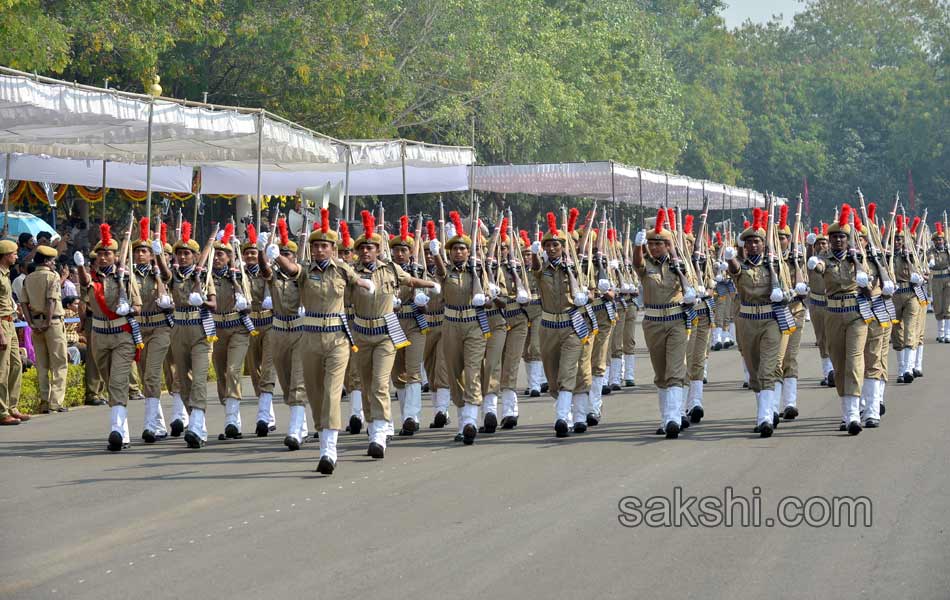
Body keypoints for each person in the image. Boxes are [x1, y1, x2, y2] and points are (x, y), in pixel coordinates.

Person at [270, 209, 374, 472]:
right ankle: (320, 432)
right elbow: (292, 269)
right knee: (315, 394)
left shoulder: (341, 269)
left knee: (330, 393)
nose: (318, 250)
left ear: (333, 248)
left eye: (324, 246)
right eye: (315, 246)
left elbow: (358, 280)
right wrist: (275, 255)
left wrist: (367, 285)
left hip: (338, 339)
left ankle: (329, 450)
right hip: (310, 339)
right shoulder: (305, 270)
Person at [349, 210, 436, 456]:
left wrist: (431, 285)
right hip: (361, 334)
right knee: (368, 384)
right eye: (362, 248)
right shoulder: (350, 273)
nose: (366, 251)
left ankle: (383, 429)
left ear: (378, 250)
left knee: (381, 382)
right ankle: (378, 422)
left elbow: (410, 281)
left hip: (387, 330)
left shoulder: (390, 270)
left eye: (371, 247)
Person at [75, 223, 143, 451]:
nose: (103, 257)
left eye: (108, 253)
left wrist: (129, 309)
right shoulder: (92, 278)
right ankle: (121, 431)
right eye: (100, 254)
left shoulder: (125, 277)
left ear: (115, 255)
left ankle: (116, 429)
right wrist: (79, 267)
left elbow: (138, 307)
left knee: (118, 381)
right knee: (107, 380)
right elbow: (85, 290)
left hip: (122, 334)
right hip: (99, 335)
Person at [808, 204, 870, 435]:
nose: (837, 241)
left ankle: (854, 414)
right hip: (832, 314)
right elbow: (820, 268)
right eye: (833, 237)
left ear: (848, 239)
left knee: (854, 360)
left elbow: (869, 285)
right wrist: (815, 263)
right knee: (840, 363)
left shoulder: (858, 258)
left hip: (856, 315)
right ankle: (847, 412)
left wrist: (857, 262)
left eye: (841, 237)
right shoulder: (825, 259)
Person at [530, 212, 592, 438]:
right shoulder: (543, 269)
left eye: (555, 244)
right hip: (548, 327)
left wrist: (572, 273)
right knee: (553, 377)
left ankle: (565, 417)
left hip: (572, 324)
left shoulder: (579, 267)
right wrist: (535, 252)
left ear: (564, 246)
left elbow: (591, 290)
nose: (552, 248)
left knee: (570, 372)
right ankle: (573, 412)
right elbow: (535, 268)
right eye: (548, 245)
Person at [725, 208, 785, 438]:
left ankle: (765, 418)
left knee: (768, 369)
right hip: (747, 321)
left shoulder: (775, 265)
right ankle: (765, 410)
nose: (752, 245)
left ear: (764, 244)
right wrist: (730, 257)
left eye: (757, 241)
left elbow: (791, 286)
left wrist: (783, 290)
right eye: (748, 242)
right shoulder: (741, 265)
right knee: (754, 372)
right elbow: (735, 270)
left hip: (770, 319)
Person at [634, 209, 691, 439]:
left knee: (675, 371)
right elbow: (636, 263)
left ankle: (673, 418)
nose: (654, 247)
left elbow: (691, 285)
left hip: (676, 320)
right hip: (653, 322)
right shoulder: (645, 264)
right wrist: (637, 246)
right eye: (651, 243)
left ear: (668, 245)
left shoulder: (679, 264)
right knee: (660, 373)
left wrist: (682, 271)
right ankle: (665, 416)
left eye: (659, 243)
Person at [259, 218, 307, 450]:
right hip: (279, 331)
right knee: (287, 384)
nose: (285, 257)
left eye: (289, 254)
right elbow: (264, 270)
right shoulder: (275, 277)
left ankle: (295, 431)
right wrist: (261, 251)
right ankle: (303, 425)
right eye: (282, 253)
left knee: (298, 381)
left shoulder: (304, 274)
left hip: (300, 331)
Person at [168, 222, 217, 448]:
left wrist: (203, 301)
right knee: (183, 382)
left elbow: (214, 304)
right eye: (180, 253)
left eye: (187, 253)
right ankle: (198, 422)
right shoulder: (174, 276)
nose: (183, 257)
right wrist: (160, 254)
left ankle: (196, 425)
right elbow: (162, 273)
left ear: (196, 256)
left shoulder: (206, 276)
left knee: (198, 378)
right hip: (179, 328)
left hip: (200, 328)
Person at [210, 223, 255, 441]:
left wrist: (238, 288)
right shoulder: (206, 276)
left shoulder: (239, 275)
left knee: (233, 370)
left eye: (221, 255)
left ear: (229, 257)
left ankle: (232, 420)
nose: (217, 258)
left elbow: (248, 305)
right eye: (215, 254)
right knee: (221, 374)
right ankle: (228, 409)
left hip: (238, 328)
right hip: (216, 329)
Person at [131, 218, 174, 443]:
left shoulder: (161, 272)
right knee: (145, 373)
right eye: (137, 251)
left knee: (152, 374)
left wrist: (158, 269)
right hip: (139, 327)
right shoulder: (128, 275)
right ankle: (157, 423)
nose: (140, 255)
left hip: (160, 327)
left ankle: (150, 423)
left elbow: (168, 283)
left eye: (144, 251)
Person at [22, 244, 69, 414]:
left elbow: (23, 304)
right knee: (59, 364)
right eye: (53, 261)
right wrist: (48, 322)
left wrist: (31, 323)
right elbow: (51, 301)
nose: (55, 264)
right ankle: (55, 402)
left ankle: (44, 401)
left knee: (42, 364)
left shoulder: (28, 278)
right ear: (48, 262)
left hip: (35, 324)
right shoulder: (53, 277)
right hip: (53, 323)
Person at [241, 224, 278, 437]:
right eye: (247, 253)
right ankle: (269, 413)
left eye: (254, 252)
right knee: (253, 369)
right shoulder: (239, 274)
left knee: (268, 369)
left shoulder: (269, 271)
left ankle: (263, 415)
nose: (250, 256)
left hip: (270, 323)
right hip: (249, 324)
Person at [890, 216, 923, 383]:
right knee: (896, 334)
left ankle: (909, 368)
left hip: (911, 294)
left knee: (910, 330)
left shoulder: (913, 255)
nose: (897, 242)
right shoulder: (887, 255)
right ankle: (902, 368)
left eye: (900, 239)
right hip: (894, 296)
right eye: (895, 239)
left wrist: (909, 259)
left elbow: (921, 273)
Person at [0, 238, 27, 426]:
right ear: (5, 255)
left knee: (16, 365)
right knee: (2, 370)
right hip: (1, 324)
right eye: (14, 253)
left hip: (10, 322)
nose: (16, 256)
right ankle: (2, 412)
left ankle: (12, 406)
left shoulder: (6, 273)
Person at [930, 222, 950, 342]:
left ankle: (947, 333)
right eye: (937, 240)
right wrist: (931, 261)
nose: (939, 242)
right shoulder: (931, 251)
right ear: (934, 241)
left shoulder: (947, 250)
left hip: (948, 279)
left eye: (941, 239)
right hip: (936, 280)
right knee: (938, 306)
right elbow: (930, 257)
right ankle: (940, 333)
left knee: (948, 305)